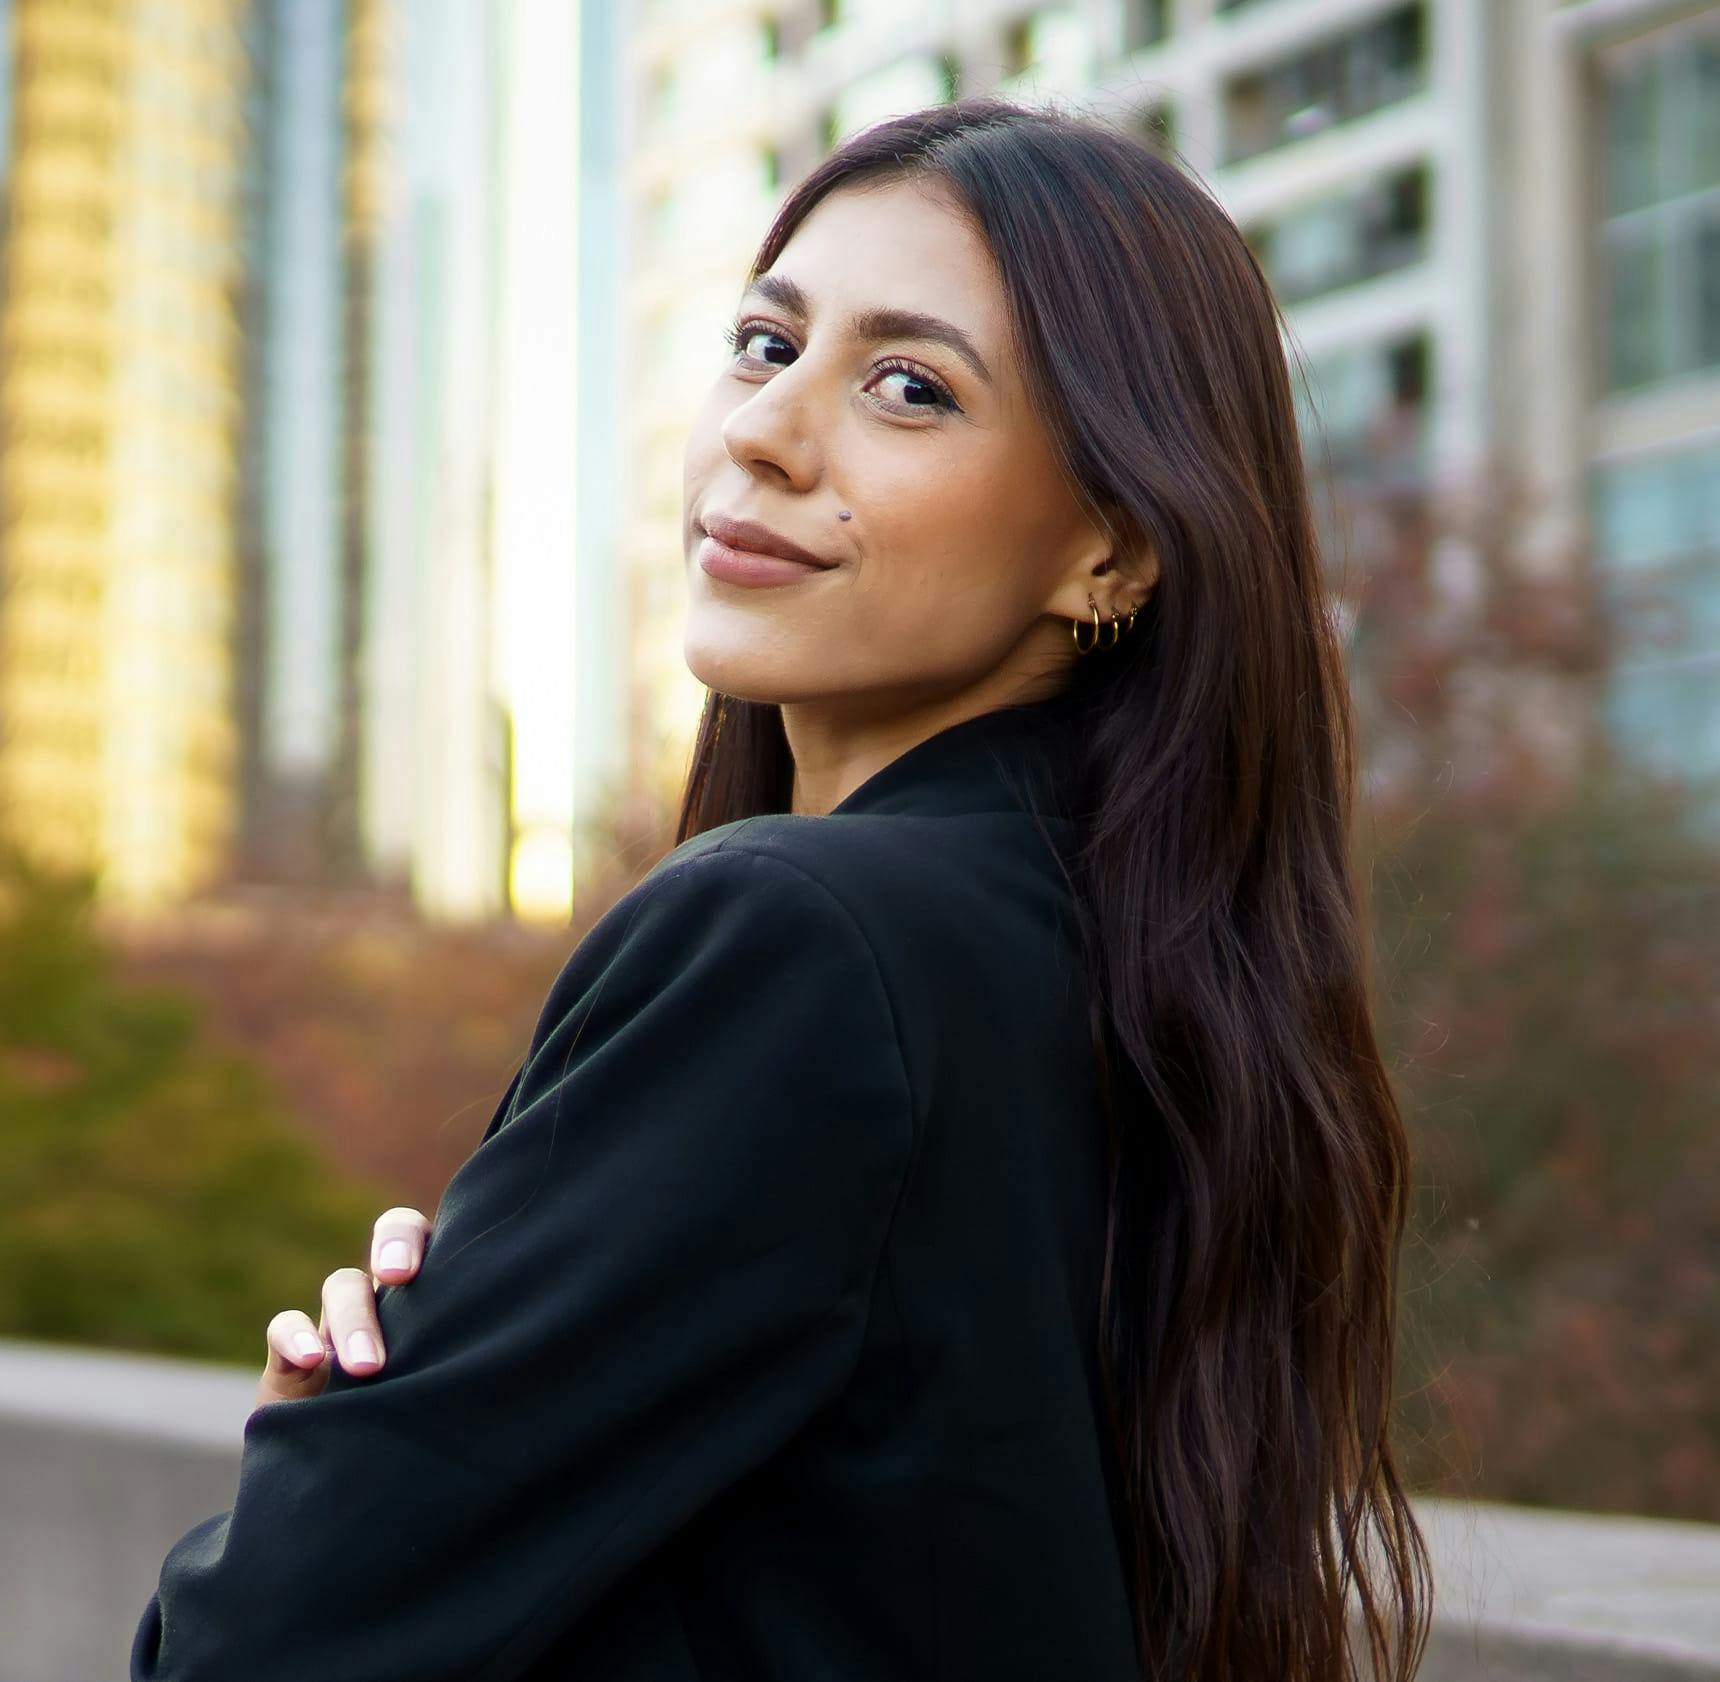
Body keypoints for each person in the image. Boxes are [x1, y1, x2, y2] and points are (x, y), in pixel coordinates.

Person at [132, 95, 1433, 1681]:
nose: (763, 431)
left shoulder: (803, 943)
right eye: (764, 344)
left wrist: (325, 1468)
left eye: (907, 386)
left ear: (1112, 550)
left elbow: (259, 1652)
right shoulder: (1128, 969)